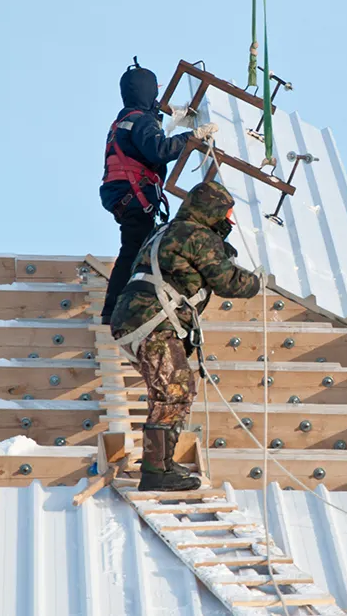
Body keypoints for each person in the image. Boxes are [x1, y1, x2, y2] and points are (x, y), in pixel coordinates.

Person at [110, 181, 261, 492]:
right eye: (225, 215)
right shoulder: (197, 235)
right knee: (174, 391)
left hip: (135, 317)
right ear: (212, 212)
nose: (228, 222)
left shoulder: (166, 230)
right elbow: (228, 281)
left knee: (174, 388)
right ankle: (155, 471)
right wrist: (257, 281)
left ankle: (162, 464)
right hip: (154, 320)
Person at [100, 59, 218, 324]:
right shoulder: (142, 121)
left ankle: (127, 307)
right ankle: (114, 313)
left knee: (139, 249)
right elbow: (159, 150)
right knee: (134, 252)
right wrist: (192, 137)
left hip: (123, 195)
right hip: (134, 197)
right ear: (149, 92)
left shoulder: (124, 120)